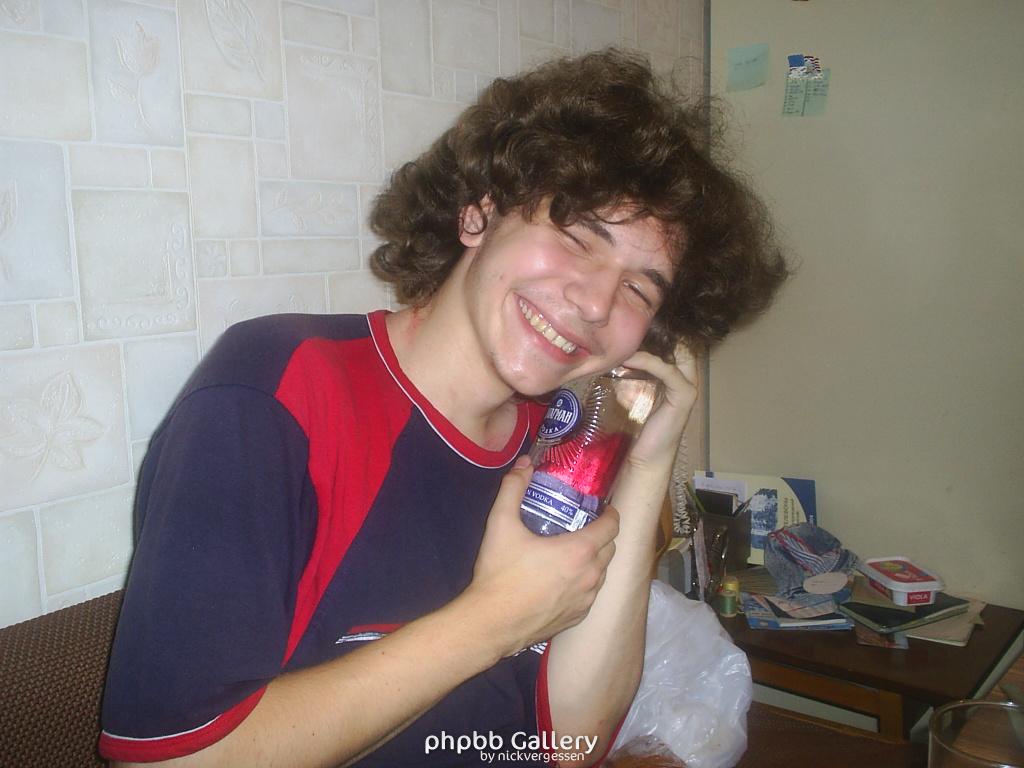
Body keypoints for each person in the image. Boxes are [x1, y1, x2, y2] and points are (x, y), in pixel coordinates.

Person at [99, 48, 787, 767]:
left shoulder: (556, 449)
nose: (595, 303)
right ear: (479, 213)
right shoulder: (276, 390)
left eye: (639, 290)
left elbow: (574, 741)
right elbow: (168, 760)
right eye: (578, 237)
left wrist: (647, 458)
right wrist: (495, 619)